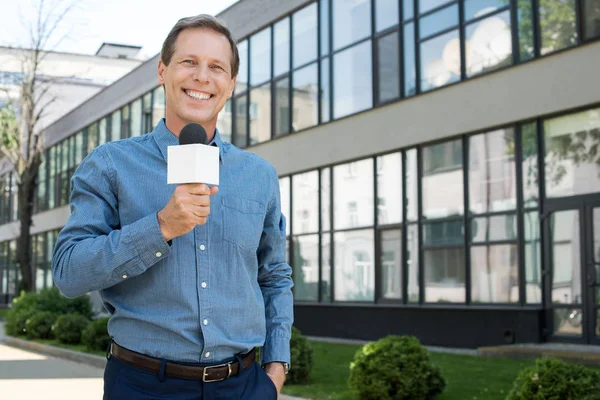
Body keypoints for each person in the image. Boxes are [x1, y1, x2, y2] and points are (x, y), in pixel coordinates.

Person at [52, 14, 293, 400]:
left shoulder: (258, 175)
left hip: (243, 386)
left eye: (217, 67)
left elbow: (275, 276)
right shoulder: (110, 164)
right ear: (162, 71)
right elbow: (68, 273)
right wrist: (160, 227)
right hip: (143, 384)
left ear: (230, 85)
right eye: (189, 62)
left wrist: (276, 369)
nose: (202, 76)